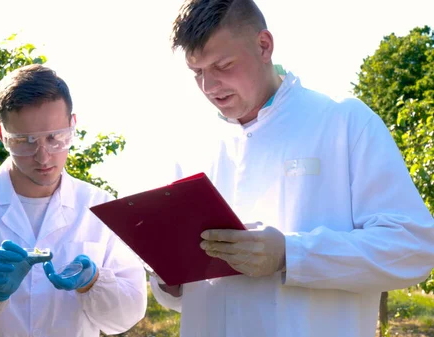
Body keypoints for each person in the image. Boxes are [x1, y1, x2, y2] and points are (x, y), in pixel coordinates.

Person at [149, 1, 434, 336]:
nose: (209, 87)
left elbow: (412, 249)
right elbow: (187, 293)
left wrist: (291, 254)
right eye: (197, 73)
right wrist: (168, 282)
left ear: (264, 46)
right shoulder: (193, 148)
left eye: (223, 65)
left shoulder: (343, 122)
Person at [0, 64, 147, 337]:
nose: (43, 156)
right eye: (25, 141)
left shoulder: (99, 206)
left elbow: (128, 315)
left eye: (55, 138)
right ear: (1, 136)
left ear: (72, 125)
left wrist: (93, 283)